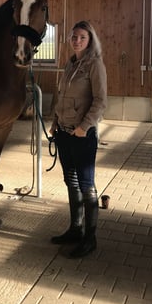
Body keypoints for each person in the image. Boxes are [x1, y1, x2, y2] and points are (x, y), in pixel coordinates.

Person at [49, 20, 107, 258]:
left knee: (85, 183)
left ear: (90, 40)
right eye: (74, 37)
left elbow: (100, 101)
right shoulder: (70, 64)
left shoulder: (94, 64)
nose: (77, 41)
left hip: (82, 133)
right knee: (71, 180)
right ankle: (75, 228)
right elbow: (61, 96)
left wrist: (85, 126)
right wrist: (54, 122)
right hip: (64, 132)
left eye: (82, 37)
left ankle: (89, 237)